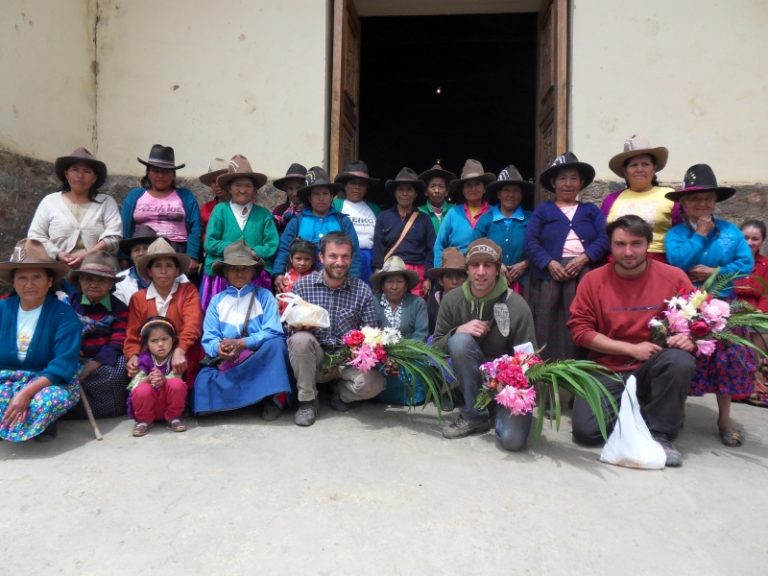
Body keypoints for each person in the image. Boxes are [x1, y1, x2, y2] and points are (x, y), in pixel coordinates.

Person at [568, 215, 697, 467]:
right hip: (607, 367)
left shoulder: (674, 277)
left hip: (654, 363)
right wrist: (629, 348)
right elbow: (580, 331)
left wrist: (689, 337)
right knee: (586, 433)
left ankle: (661, 433)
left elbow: (697, 319)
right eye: (620, 244)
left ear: (648, 244)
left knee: (680, 360)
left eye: (636, 244)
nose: (628, 252)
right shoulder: (592, 281)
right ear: (611, 245)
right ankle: (641, 409)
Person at [665, 164, 754, 446]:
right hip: (689, 306)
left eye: (707, 198)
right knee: (687, 360)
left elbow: (746, 264)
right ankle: (677, 413)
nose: (702, 204)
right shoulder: (676, 234)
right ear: (684, 204)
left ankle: (724, 419)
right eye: (694, 199)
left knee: (726, 362)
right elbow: (678, 262)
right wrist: (700, 234)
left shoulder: (730, 231)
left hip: (724, 305)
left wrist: (715, 272)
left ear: (715, 201)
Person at [432, 239, 537, 451]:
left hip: (506, 386)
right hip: (472, 377)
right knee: (460, 342)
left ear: (498, 270)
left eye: (487, 265)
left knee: (512, 441)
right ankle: (475, 415)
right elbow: (436, 348)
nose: (481, 272)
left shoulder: (516, 305)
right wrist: (458, 330)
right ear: (467, 269)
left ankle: (498, 410)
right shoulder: (452, 300)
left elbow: (529, 361)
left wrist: (508, 384)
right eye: (475, 265)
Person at [288, 232, 384, 427]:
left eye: (345, 256)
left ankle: (339, 394)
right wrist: (297, 327)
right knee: (300, 340)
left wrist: (366, 346)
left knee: (375, 384)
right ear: (321, 258)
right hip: (314, 360)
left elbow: (369, 331)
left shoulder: (362, 290)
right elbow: (286, 328)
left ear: (351, 258)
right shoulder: (302, 287)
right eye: (333, 256)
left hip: (345, 361)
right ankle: (307, 401)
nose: (339, 262)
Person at [525, 152, 609, 361]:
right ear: (553, 183)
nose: (568, 183)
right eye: (562, 178)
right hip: (550, 274)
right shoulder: (543, 211)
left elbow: (605, 238)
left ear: (581, 183)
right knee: (547, 322)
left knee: (582, 320)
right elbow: (531, 242)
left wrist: (584, 258)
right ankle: (547, 371)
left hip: (583, 273)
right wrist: (549, 262)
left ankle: (581, 368)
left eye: (573, 178)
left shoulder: (590, 210)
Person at [195, 241, 292, 419]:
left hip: (258, 356)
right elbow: (209, 337)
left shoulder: (265, 296)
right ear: (225, 272)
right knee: (203, 378)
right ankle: (256, 395)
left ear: (253, 272)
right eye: (233, 268)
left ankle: (273, 398)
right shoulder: (217, 301)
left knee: (277, 345)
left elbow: (273, 331)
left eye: (245, 268)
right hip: (230, 359)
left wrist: (243, 342)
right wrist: (220, 349)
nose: (239, 273)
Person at [0, 239, 81, 441]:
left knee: (46, 401)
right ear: (14, 282)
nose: (29, 284)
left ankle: (35, 423)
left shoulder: (64, 316)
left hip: (47, 381)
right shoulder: (3, 309)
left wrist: (25, 393)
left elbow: (64, 365)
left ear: (50, 281)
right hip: (6, 378)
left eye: (37, 277)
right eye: (22, 278)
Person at [124, 238, 203, 391]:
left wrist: (179, 350)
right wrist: (133, 356)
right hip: (152, 356)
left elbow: (193, 325)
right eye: (157, 266)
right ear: (149, 271)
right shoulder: (139, 298)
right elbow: (133, 334)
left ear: (177, 270)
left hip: (183, 353)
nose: (164, 271)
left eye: (169, 266)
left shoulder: (188, 291)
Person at [201, 155, 278, 309]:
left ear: (255, 189)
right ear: (229, 188)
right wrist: (236, 251)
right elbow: (210, 243)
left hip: (255, 274)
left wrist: (253, 251)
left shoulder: (263, 214)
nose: (242, 190)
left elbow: (272, 244)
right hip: (222, 275)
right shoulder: (220, 210)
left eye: (248, 186)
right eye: (237, 185)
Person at [28, 147, 122, 274]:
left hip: (98, 273)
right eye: (75, 170)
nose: (80, 175)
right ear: (66, 174)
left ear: (94, 178)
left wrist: (89, 255)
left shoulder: (106, 202)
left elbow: (114, 235)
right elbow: (35, 236)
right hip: (57, 272)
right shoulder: (50, 201)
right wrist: (58, 254)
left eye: (87, 171)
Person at [273, 166, 361, 289]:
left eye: (325, 193)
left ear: (331, 197)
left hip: (337, 281)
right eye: (316, 194)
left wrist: (353, 278)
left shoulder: (342, 221)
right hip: (302, 283)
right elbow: (284, 248)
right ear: (309, 198)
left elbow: (354, 251)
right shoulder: (297, 222)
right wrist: (279, 273)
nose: (321, 198)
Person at [121, 144, 202, 275]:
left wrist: (192, 256)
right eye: (155, 171)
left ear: (173, 175)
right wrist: (124, 257)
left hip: (177, 250)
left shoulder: (185, 196)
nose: (160, 175)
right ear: (148, 173)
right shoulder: (135, 196)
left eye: (165, 171)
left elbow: (195, 228)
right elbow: (125, 227)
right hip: (143, 250)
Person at [67, 251, 129, 418]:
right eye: (88, 279)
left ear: (110, 284)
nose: (93, 284)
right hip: (72, 356)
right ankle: (68, 410)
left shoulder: (119, 309)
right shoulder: (69, 303)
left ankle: (107, 409)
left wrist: (91, 366)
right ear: (79, 281)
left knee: (117, 372)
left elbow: (117, 343)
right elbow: (61, 332)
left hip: (102, 361)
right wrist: (71, 351)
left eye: (101, 280)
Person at [601, 135, 680, 262]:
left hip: (658, 263)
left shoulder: (670, 196)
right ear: (625, 171)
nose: (639, 169)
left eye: (645, 164)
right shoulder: (612, 199)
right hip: (618, 263)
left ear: (654, 168)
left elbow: (682, 232)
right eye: (634, 165)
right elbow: (603, 236)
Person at [371, 257, 429, 405]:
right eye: (389, 282)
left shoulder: (418, 303)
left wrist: (401, 357)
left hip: (409, 356)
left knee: (421, 366)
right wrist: (386, 358)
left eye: (399, 281)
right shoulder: (373, 302)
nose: (394, 286)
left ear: (406, 285)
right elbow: (369, 333)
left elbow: (420, 335)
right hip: (380, 357)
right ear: (382, 285)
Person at [372, 167, 436, 296]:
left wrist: (428, 277)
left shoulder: (424, 219)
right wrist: (377, 272)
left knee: (414, 310)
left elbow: (431, 249)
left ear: (415, 193)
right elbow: (378, 246)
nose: (405, 193)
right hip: (390, 271)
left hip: (417, 272)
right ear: (395, 192)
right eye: (401, 189)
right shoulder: (384, 217)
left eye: (409, 189)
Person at [473, 164, 533, 292]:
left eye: (516, 190)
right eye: (506, 190)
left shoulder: (531, 219)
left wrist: (525, 264)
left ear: (522, 195)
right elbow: (473, 247)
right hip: (490, 284)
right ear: (499, 194)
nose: (511, 195)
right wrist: (496, 265)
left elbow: (542, 248)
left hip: (525, 285)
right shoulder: (486, 219)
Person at [127, 317, 188, 436]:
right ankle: (144, 421)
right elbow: (133, 386)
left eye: (165, 339)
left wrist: (164, 380)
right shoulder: (143, 360)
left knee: (176, 383)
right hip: (149, 405)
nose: (160, 344)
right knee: (142, 388)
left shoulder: (177, 359)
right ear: (146, 344)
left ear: (173, 339)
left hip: (168, 403)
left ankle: (174, 418)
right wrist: (148, 379)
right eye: (154, 341)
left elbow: (178, 379)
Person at [433, 159, 494, 267]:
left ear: (484, 188)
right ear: (463, 190)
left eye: (477, 184)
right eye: (468, 185)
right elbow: (439, 246)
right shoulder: (453, 213)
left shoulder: (494, 213)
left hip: (484, 273)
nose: (473, 188)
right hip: (455, 274)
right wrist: (440, 272)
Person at [733, 220, 768, 405]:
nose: (749, 242)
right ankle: (736, 383)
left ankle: (753, 379)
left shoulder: (766, 264)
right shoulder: (729, 261)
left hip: (756, 311)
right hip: (730, 308)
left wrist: (760, 312)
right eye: (745, 237)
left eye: (755, 238)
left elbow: (767, 294)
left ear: (762, 242)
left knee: (762, 329)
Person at [114, 225, 190, 306]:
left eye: (146, 248)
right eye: (136, 250)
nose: (141, 253)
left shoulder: (179, 277)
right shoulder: (121, 280)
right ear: (131, 255)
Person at [333, 160, 381, 284]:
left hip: (369, 261)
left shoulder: (375, 209)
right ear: (345, 185)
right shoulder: (336, 205)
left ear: (366, 188)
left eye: (361, 184)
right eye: (353, 183)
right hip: (343, 258)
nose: (357, 187)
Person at [426, 247, 467, 336]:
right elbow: (429, 330)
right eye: (449, 276)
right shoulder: (434, 300)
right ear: (440, 281)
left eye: (459, 276)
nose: (454, 281)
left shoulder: (473, 300)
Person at [277, 239, 316, 314]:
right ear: (291, 259)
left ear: (313, 261)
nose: (302, 263)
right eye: (298, 258)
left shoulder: (314, 278)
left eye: (307, 259)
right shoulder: (286, 275)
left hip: (304, 316)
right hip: (284, 314)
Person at [199, 157, 230, 245]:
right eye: (213, 181)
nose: (217, 185)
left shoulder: (242, 207)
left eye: (221, 180)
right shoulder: (206, 208)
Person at [418, 164, 456, 233]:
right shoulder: (418, 212)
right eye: (432, 186)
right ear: (426, 191)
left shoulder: (456, 210)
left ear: (447, 191)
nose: (437, 190)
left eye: (441, 186)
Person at [272, 163, 307, 232]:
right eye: (290, 189)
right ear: (286, 190)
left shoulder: (313, 211)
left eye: (299, 188)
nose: (294, 193)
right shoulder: (279, 211)